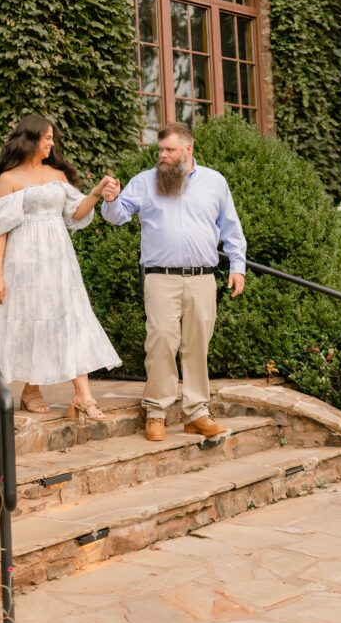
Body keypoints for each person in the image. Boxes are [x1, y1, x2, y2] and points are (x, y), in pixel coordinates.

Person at [0, 114, 121, 421]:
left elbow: (75, 214)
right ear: (31, 139)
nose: (52, 143)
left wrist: (96, 191)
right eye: (47, 137)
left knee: (69, 319)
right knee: (31, 318)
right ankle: (32, 388)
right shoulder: (8, 179)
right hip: (23, 260)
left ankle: (82, 394)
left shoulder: (58, 175)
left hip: (59, 259)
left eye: (53, 138)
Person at [101, 121, 246, 441]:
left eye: (170, 150)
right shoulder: (144, 182)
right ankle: (156, 411)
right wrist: (111, 199)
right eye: (160, 150)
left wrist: (237, 266)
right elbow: (118, 215)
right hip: (160, 278)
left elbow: (231, 228)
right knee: (161, 342)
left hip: (202, 279)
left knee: (197, 346)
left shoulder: (215, 182)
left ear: (188, 150)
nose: (163, 155)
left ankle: (197, 413)